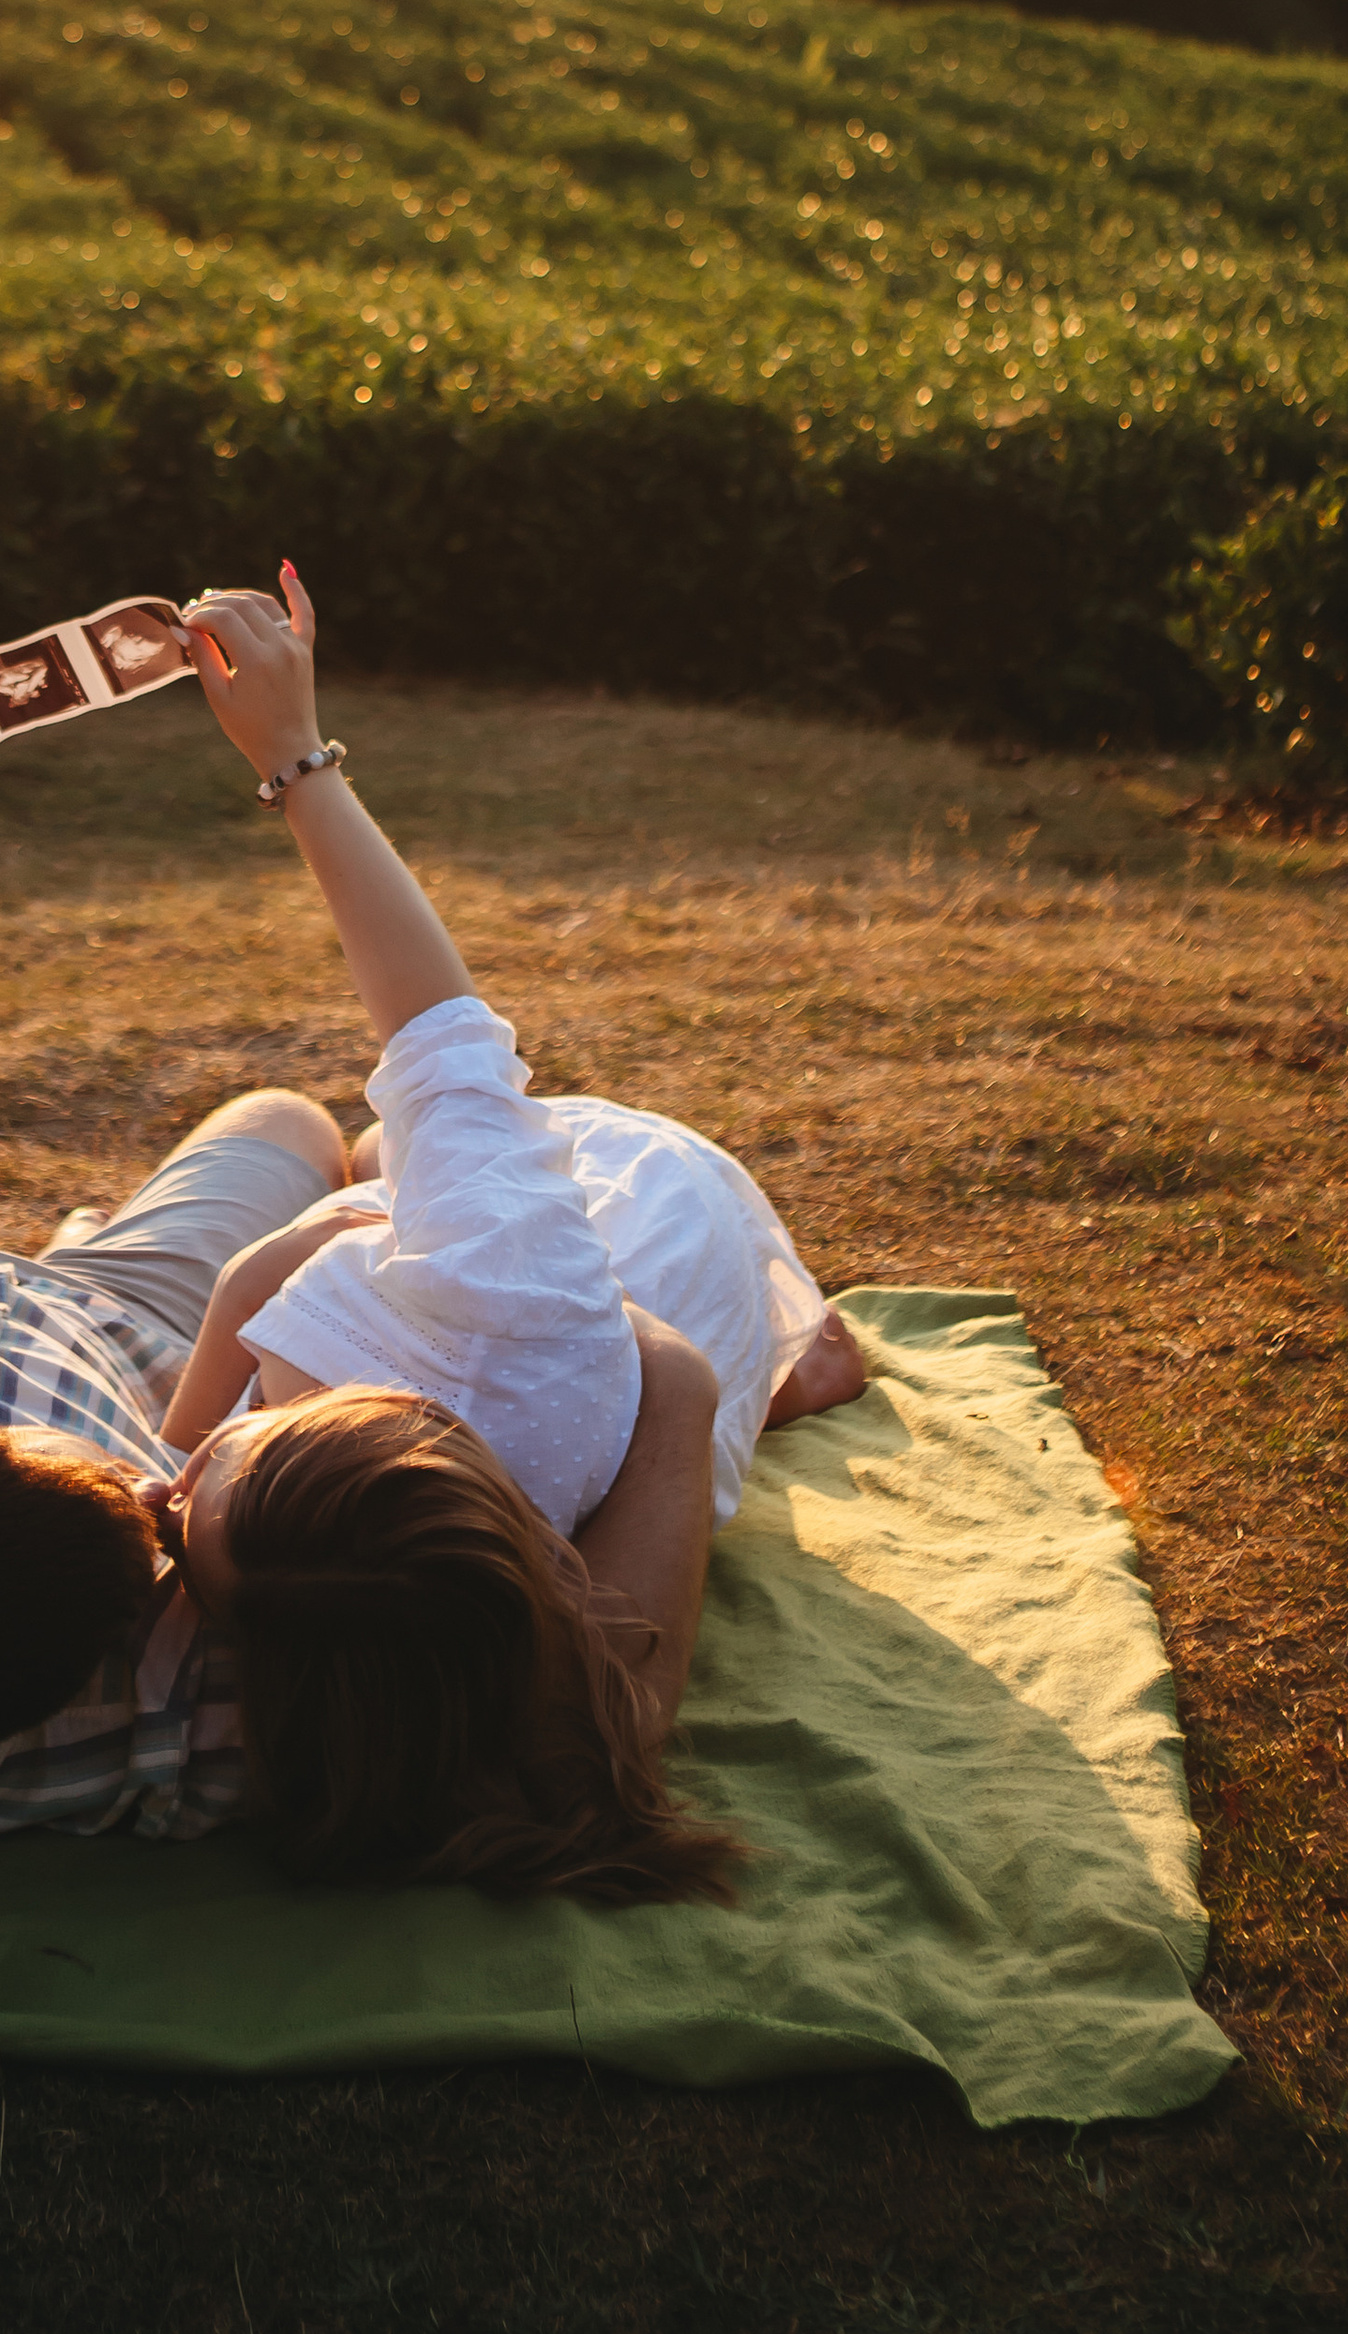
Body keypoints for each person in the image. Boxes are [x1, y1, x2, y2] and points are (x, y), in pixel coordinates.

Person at [0, 698, 724, 1855]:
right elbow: (596, 1719)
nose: (165, 1479)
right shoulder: (207, 1704)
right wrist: (670, 1384)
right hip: (113, 1328)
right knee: (288, 1124)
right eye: (153, 1511)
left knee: (253, 1137)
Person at [138, 568, 867, 1899]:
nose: (166, 1491)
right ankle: (796, 1346)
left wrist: (185, 1439)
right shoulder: (505, 1305)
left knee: (385, 1183)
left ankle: (772, 1339)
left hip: (550, 1313)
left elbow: (273, 1295)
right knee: (685, 1346)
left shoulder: (352, 1632)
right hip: (643, 1223)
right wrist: (295, 759)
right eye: (201, 1487)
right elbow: (439, 1046)